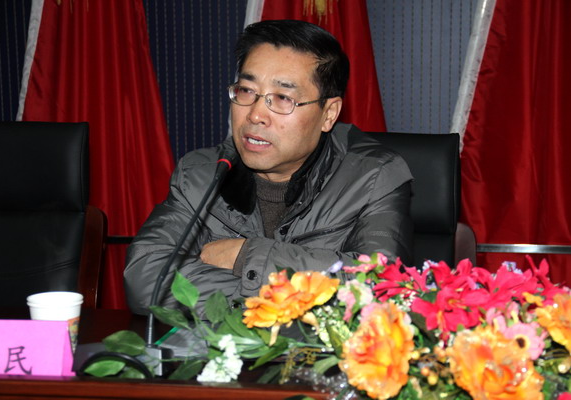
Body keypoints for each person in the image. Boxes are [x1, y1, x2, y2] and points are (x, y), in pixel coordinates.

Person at [124, 19, 413, 316]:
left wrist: (248, 255)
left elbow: (381, 288)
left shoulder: (372, 176)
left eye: (283, 98)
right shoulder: (203, 172)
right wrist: (282, 297)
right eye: (247, 91)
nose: (255, 114)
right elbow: (147, 278)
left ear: (329, 114)